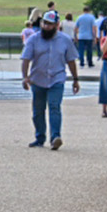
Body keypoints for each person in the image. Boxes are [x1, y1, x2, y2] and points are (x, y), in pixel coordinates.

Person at [21, 10, 81, 149]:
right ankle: (40, 137)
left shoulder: (65, 40)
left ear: (57, 25)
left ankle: (55, 137)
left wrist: (75, 79)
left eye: (50, 24)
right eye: (45, 23)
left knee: (54, 107)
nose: (46, 27)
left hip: (57, 79)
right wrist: (25, 77)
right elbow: (26, 59)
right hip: (38, 79)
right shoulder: (33, 39)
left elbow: (71, 60)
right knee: (38, 110)